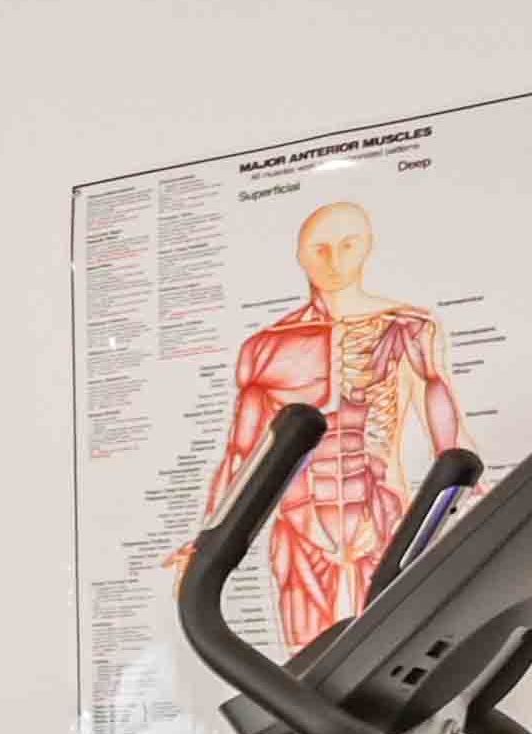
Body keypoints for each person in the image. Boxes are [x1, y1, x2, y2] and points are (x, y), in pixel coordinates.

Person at [196, 199, 466, 648]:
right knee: (298, 665)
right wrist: (207, 539)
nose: (335, 261)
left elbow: (440, 399)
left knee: (388, 651)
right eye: (320, 249)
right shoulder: (264, 346)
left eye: (347, 244)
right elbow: (241, 451)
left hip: (379, 513)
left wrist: (466, 484)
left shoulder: (408, 325)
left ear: (367, 247)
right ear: (300, 256)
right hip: (301, 519)